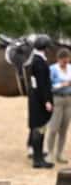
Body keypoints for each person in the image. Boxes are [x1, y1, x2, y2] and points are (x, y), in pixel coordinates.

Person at [28, 35, 55, 169]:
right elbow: (42, 84)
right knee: (39, 127)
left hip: (36, 98)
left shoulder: (37, 59)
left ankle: (38, 156)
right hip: (40, 100)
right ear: (44, 48)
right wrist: (47, 101)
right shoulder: (39, 62)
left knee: (39, 127)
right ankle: (37, 160)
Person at [46, 48, 71, 164]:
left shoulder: (70, 68)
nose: (65, 64)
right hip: (57, 99)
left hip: (68, 100)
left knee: (64, 129)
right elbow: (49, 86)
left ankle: (59, 153)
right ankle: (50, 153)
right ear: (59, 59)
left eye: (67, 62)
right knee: (53, 128)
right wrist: (62, 84)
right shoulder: (53, 69)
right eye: (63, 62)